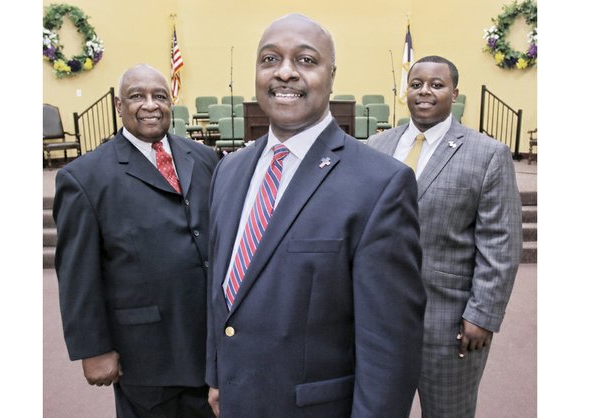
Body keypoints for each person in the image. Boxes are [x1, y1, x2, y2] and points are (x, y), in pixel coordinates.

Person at [205, 14, 426, 418]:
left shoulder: (381, 184)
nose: (285, 72)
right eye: (270, 59)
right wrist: (217, 375)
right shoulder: (229, 170)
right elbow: (221, 288)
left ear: (332, 74)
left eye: (306, 61)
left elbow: (390, 345)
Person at [53, 64, 217, 418]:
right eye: (137, 96)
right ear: (117, 105)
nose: (150, 105)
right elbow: (77, 273)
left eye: (160, 96)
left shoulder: (204, 158)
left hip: (210, 344)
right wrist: (93, 348)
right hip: (147, 354)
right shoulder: (84, 177)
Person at [367, 55, 523, 418]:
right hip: (377, 319)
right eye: (417, 83)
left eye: (436, 85)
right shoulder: (375, 148)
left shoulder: (487, 154)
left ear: (454, 92)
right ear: (406, 91)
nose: (425, 91)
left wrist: (483, 314)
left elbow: (501, 242)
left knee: (448, 412)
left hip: (449, 319)